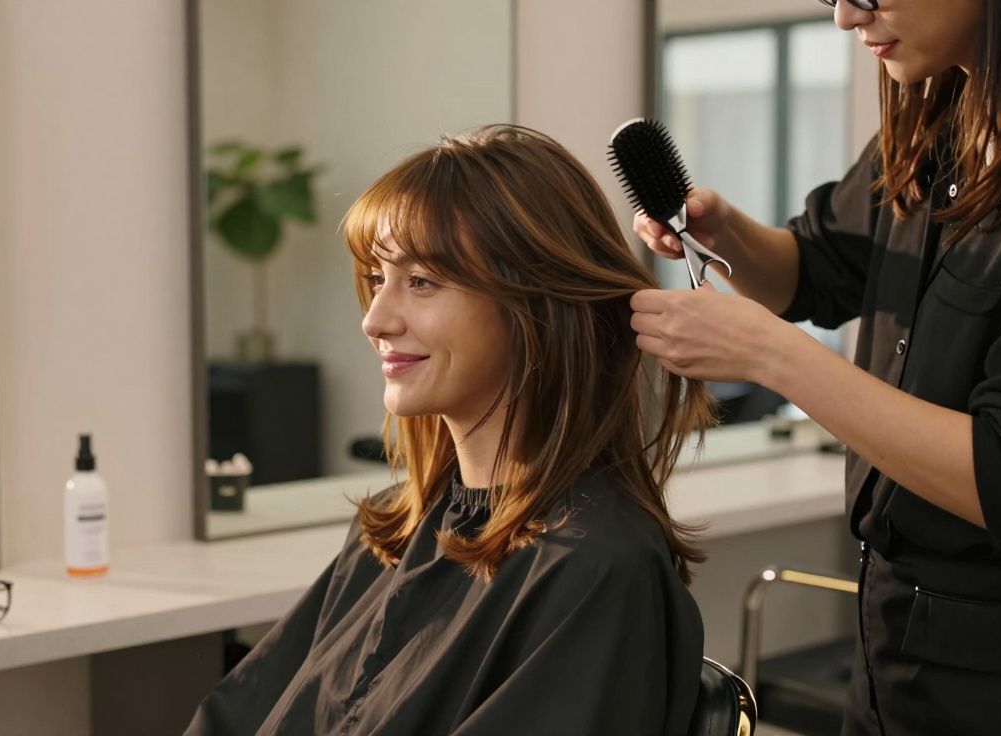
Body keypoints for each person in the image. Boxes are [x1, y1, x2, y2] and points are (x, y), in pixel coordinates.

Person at [187, 125, 716, 735]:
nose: (375, 320)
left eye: (422, 282)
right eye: (378, 278)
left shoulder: (594, 570)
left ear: (535, 308)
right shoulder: (396, 529)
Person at [630, 1, 1001, 733]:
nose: (844, 16)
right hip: (890, 650)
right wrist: (724, 230)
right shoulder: (938, 122)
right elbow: (816, 270)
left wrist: (772, 357)